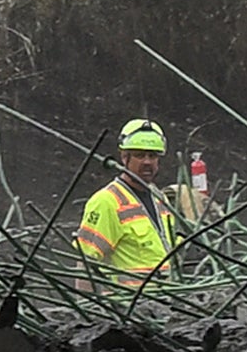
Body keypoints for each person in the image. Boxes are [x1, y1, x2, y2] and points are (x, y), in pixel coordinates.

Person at [78, 118, 184, 286]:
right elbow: (86, 263)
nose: (147, 161)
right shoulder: (107, 202)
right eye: (140, 155)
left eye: (153, 155)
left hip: (163, 304)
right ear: (124, 157)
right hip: (127, 305)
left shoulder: (159, 198)